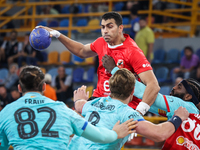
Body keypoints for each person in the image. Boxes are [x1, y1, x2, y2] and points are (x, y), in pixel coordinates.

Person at [38, 11, 160, 116]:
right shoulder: (101, 42)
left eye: (110, 26)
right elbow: (81, 51)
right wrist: (57, 34)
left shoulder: (132, 51)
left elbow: (153, 85)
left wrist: (138, 113)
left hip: (121, 104)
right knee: (71, 120)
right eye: (103, 27)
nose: (105, 31)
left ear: (120, 28)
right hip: (99, 99)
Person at [0, 65, 136, 150]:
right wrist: (115, 133)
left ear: (19, 88)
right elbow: (98, 136)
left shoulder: (5, 112)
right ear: (44, 87)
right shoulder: (63, 109)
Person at [68, 68, 189, 150]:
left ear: (110, 88)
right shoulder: (126, 114)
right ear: (132, 91)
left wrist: (78, 99)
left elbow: (80, 105)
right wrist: (178, 117)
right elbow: (159, 134)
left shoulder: (94, 102)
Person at [102, 57, 200, 149]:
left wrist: (115, 70)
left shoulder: (183, 106)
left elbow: (152, 96)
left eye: (179, 87)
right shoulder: (190, 112)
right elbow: (150, 103)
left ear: (188, 96)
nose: (174, 87)